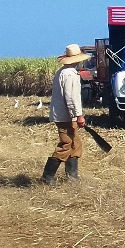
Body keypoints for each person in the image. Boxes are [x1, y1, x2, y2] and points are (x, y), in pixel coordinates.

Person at [42, 44, 90, 185]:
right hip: (66, 116)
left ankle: (72, 177)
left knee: (75, 144)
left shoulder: (65, 72)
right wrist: (78, 116)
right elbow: (71, 98)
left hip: (67, 115)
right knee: (66, 144)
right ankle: (47, 177)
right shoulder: (69, 74)